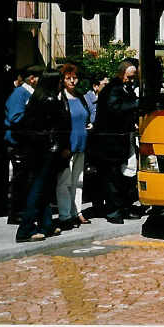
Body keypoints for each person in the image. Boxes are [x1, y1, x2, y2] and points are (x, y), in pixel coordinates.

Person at [14, 72, 64, 243]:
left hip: (36, 149)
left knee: (42, 189)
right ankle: (25, 229)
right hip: (46, 150)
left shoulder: (36, 98)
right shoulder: (50, 100)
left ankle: (46, 224)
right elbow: (59, 124)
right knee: (39, 189)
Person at [89, 60, 139, 224]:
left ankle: (123, 207)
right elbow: (115, 108)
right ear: (121, 74)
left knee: (124, 176)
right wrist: (136, 104)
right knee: (112, 177)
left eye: (133, 77)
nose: (132, 80)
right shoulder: (112, 89)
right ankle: (113, 210)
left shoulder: (124, 88)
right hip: (109, 142)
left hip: (121, 139)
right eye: (129, 77)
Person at [54, 64, 93, 230]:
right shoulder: (59, 97)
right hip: (67, 146)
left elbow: (86, 116)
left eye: (74, 78)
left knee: (78, 181)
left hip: (81, 145)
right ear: (62, 80)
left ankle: (77, 211)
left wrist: (89, 124)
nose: (72, 81)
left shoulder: (80, 96)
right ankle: (65, 215)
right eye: (68, 78)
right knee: (65, 182)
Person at [3, 65, 43, 224]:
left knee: (30, 179)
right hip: (19, 143)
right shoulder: (20, 94)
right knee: (21, 179)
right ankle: (16, 213)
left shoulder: (32, 94)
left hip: (30, 143)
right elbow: (15, 118)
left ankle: (28, 210)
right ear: (32, 79)